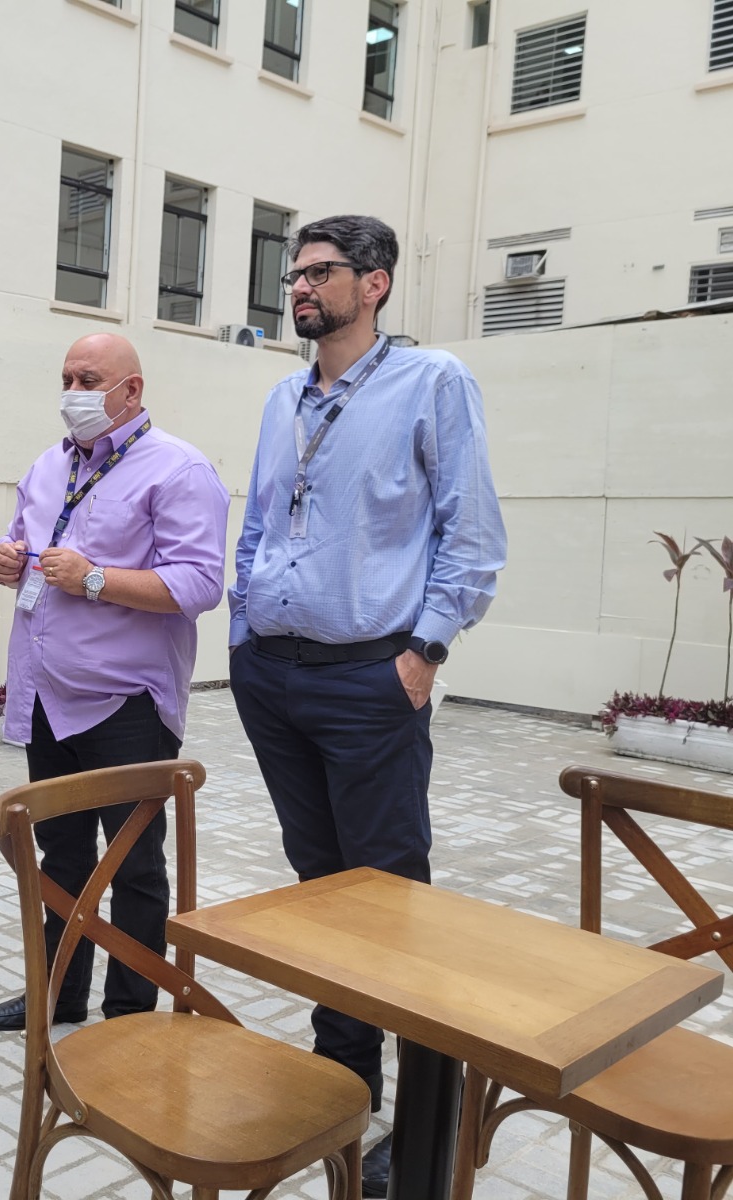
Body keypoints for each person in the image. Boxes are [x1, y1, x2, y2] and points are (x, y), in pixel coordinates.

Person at [228, 215, 507, 1197]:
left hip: (370, 677)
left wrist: (423, 653)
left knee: (389, 898)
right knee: (320, 887)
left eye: (320, 272)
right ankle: (345, 1083)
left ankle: (425, 1123)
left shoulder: (432, 383)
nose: (299, 288)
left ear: (374, 283)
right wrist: (242, 630)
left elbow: (471, 534)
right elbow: (260, 524)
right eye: (294, 274)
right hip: (272, 675)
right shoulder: (283, 398)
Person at [0, 333, 230, 1032]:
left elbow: (199, 584)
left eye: (89, 380)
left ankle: (130, 1016)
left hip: (126, 704)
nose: (74, 392)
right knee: (59, 855)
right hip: (48, 695)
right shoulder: (48, 465)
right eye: (67, 378)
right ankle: (59, 993)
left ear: (131, 390)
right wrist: (6, 560)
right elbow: (22, 543)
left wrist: (94, 579)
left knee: (134, 864)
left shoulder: (179, 469)